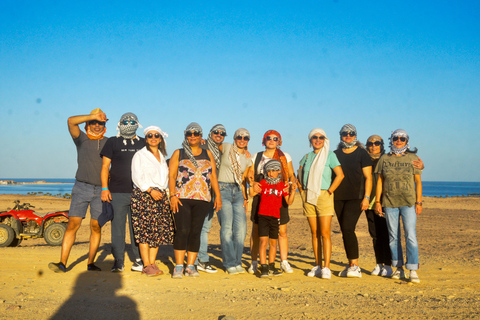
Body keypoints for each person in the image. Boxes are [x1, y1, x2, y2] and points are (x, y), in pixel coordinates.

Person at [48, 108, 108, 273]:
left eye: (101, 123)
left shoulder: (109, 142)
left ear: (105, 126)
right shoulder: (81, 139)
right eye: (94, 122)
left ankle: (91, 263)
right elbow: (70, 121)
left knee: (96, 226)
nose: (97, 125)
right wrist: (92, 116)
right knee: (73, 224)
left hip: (101, 190)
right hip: (81, 187)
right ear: (88, 123)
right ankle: (62, 263)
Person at [169, 122, 222, 279]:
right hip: (182, 198)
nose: (192, 136)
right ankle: (179, 266)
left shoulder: (208, 154)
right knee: (182, 230)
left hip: (203, 198)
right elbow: (171, 176)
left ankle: (190, 266)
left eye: (196, 133)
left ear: (201, 136)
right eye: (189, 134)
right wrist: (172, 195)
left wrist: (217, 196)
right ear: (185, 135)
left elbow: (213, 176)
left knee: (196, 232)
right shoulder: (178, 153)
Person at [374, 129, 423, 283]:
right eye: (396, 138)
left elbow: (418, 182)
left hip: (408, 203)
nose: (399, 140)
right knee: (393, 237)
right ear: (392, 140)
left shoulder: (413, 158)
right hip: (389, 203)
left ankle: (413, 269)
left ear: (407, 141)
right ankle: (398, 268)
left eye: (402, 138)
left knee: (411, 236)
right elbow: (380, 181)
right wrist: (377, 202)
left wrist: (419, 202)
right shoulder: (384, 159)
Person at [100, 113, 144, 273]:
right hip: (116, 192)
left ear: (137, 124)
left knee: (137, 228)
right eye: (125, 121)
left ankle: (139, 260)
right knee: (117, 228)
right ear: (120, 124)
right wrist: (105, 188)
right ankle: (118, 260)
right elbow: (105, 166)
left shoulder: (144, 142)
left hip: (139, 192)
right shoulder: (112, 141)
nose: (129, 123)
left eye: (132, 121)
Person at [297, 128, 344, 279]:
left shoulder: (330, 156)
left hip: (324, 195)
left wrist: (329, 191)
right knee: (314, 233)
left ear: (325, 139)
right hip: (308, 196)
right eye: (314, 137)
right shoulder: (306, 157)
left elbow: (340, 175)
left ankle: (326, 267)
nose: (318, 140)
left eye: (321, 137)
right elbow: (299, 175)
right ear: (310, 141)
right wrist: (301, 190)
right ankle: (317, 265)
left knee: (325, 233)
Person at [248, 130, 296, 275]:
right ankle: (255, 262)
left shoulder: (284, 156)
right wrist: (253, 185)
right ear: (264, 140)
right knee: (256, 231)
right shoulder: (257, 157)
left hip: (279, 194)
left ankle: (283, 262)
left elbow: (291, 174)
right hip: (262, 196)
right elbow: (250, 175)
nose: (271, 140)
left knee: (282, 231)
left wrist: (291, 185)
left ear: (279, 141)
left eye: (275, 138)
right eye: (268, 138)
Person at [130, 126, 175, 277]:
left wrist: (164, 194)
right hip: (144, 195)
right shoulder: (140, 155)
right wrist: (150, 190)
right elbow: (136, 177)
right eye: (150, 135)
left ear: (161, 138)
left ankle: (152, 263)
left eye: (157, 135)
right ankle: (146, 265)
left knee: (157, 232)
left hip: (161, 195)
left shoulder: (163, 156)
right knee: (144, 231)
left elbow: (166, 179)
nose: (153, 138)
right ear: (146, 138)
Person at [334, 124, 373, 278]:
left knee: (348, 228)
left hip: (356, 197)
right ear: (340, 135)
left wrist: (367, 197)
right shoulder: (335, 154)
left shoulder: (362, 153)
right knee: (345, 230)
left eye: (351, 133)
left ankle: (355, 266)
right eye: (345, 133)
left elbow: (368, 177)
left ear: (355, 136)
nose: (348, 136)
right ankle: (351, 263)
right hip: (337, 198)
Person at [216, 128, 252, 274]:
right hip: (222, 188)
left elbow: (245, 179)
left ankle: (237, 262)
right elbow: (211, 146)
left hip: (238, 191)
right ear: (234, 137)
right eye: (239, 137)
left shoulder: (248, 158)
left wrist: (245, 198)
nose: (242, 140)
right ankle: (229, 263)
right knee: (226, 228)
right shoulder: (226, 147)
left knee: (241, 229)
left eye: (245, 138)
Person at [196, 124, 227, 274]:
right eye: (216, 132)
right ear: (210, 133)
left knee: (204, 227)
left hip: (212, 192)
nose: (219, 135)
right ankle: (198, 260)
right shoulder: (203, 144)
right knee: (197, 227)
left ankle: (199, 259)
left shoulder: (222, 150)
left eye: (222, 133)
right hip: (198, 191)